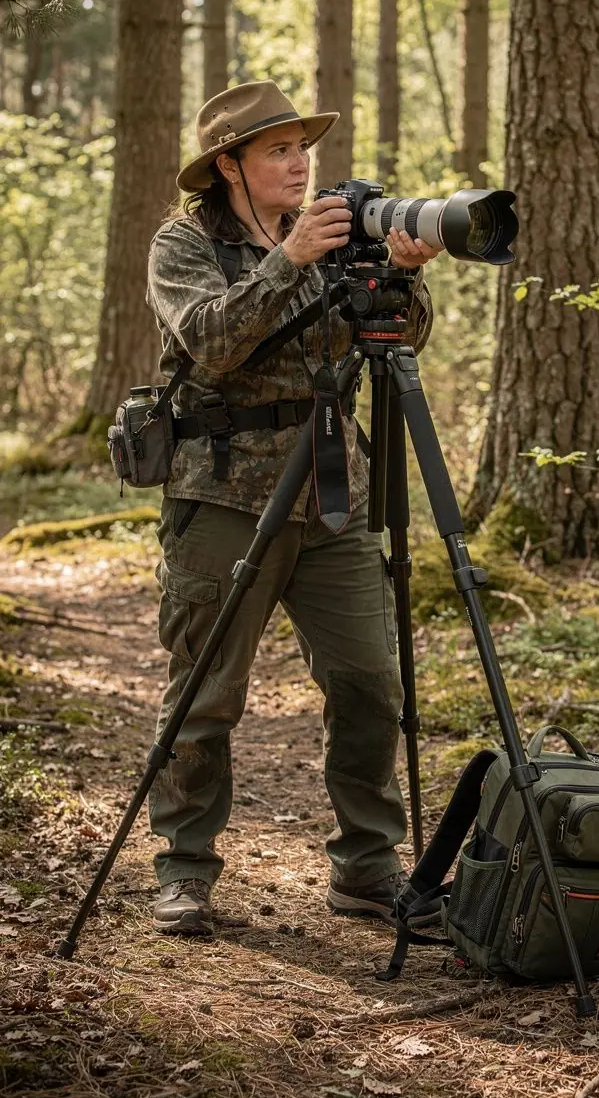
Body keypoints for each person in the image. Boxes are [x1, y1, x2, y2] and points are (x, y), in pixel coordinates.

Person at [146, 80, 440, 938]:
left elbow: (396, 340)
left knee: (370, 682)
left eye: (300, 147)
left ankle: (367, 866)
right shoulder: (184, 241)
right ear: (228, 166)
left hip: (331, 492)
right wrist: (290, 261)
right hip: (224, 491)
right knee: (206, 691)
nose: (298, 162)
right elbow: (210, 340)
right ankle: (185, 869)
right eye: (276, 150)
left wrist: (401, 278)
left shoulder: (340, 234)